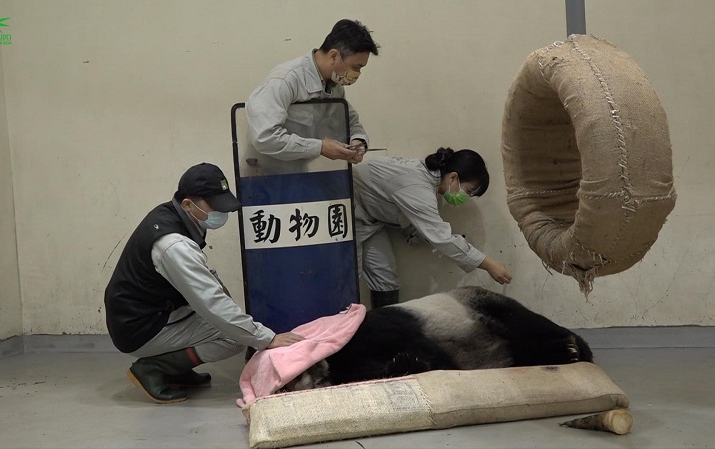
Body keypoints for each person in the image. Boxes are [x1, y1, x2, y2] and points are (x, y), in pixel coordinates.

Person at [104, 163, 304, 404]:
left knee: (232, 319)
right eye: (215, 206)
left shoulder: (174, 214)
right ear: (188, 204)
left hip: (150, 313)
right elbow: (212, 304)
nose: (223, 213)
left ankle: (176, 367)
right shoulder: (173, 244)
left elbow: (204, 285)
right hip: (140, 328)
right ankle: (154, 368)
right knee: (236, 336)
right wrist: (266, 338)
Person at [352, 147, 513, 308]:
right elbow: (442, 238)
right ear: (453, 177)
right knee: (349, 278)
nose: (466, 197)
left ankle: (384, 330)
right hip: (350, 213)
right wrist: (488, 264)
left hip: (370, 220)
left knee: (385, 278)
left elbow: (410, 215)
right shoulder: (419, 187)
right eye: (468, 191)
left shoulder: (426, 180)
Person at [245, 19, 379, 166]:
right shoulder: (285, 80)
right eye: (356, 67)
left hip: (299, 169)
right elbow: (264, 138)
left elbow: (349, 122)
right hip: (264, 172)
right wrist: (320, 147)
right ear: (334, 56)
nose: (357, 73)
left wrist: (358, 141)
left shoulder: (335, 85)